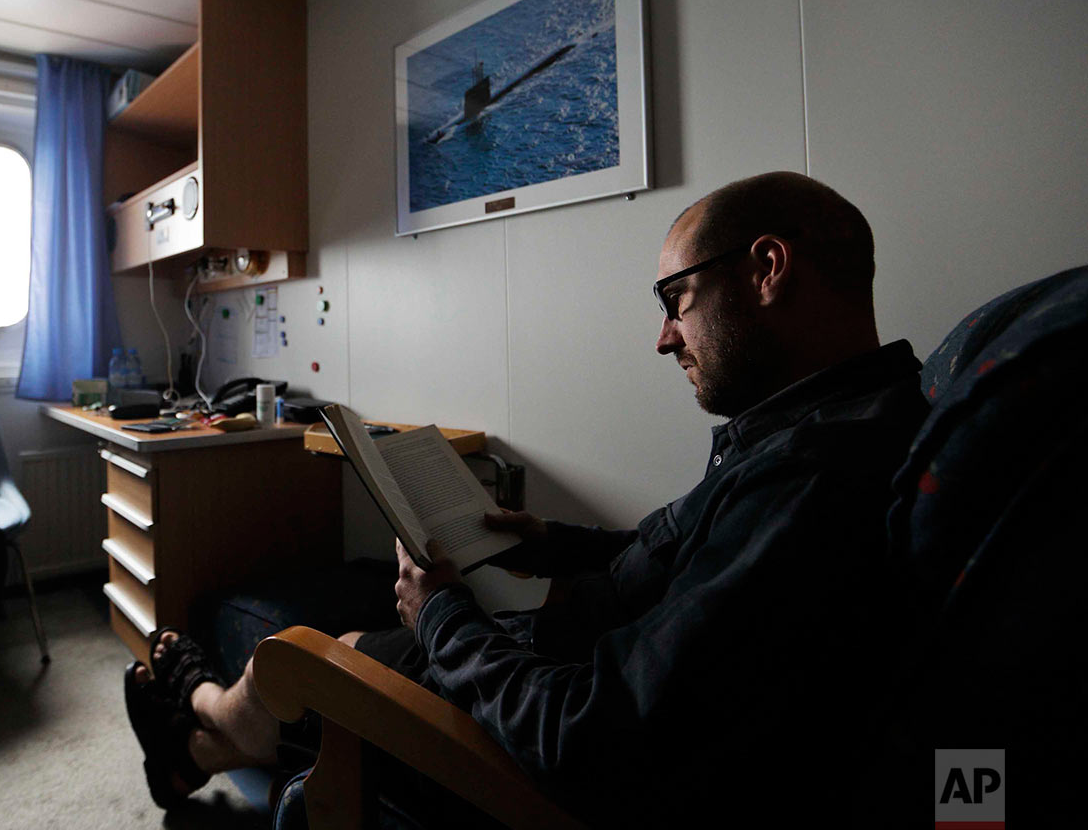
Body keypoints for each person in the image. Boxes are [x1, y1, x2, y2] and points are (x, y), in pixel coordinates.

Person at [123, 171, 930, 825]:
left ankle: (190, 723)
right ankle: (191, 735)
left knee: (296, 657)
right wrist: (543, 537)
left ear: (766, 270)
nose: (663, 337)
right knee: (339, 650)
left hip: (550, 714)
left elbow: (590, 737)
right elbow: (675, 546)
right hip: (563, 645)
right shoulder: (810, 426)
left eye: (675, 300)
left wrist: (440, 616)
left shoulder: (818, 477)